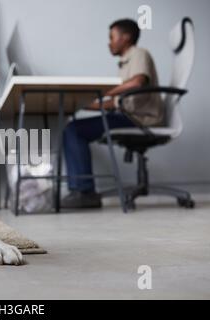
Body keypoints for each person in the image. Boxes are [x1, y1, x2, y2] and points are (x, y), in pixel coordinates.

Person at [62, 18, 164, 208]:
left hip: (139, 119)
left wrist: (103, 92)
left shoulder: (139, 54)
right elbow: (113, 103)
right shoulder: (125, 64)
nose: (109, 42)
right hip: (126, 115)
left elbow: (137, 83)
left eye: (112, 37)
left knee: (74, 130)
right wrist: (81, 105)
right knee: (74, 127)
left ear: (126, 37)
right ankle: (82, 190)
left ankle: (84, 192)